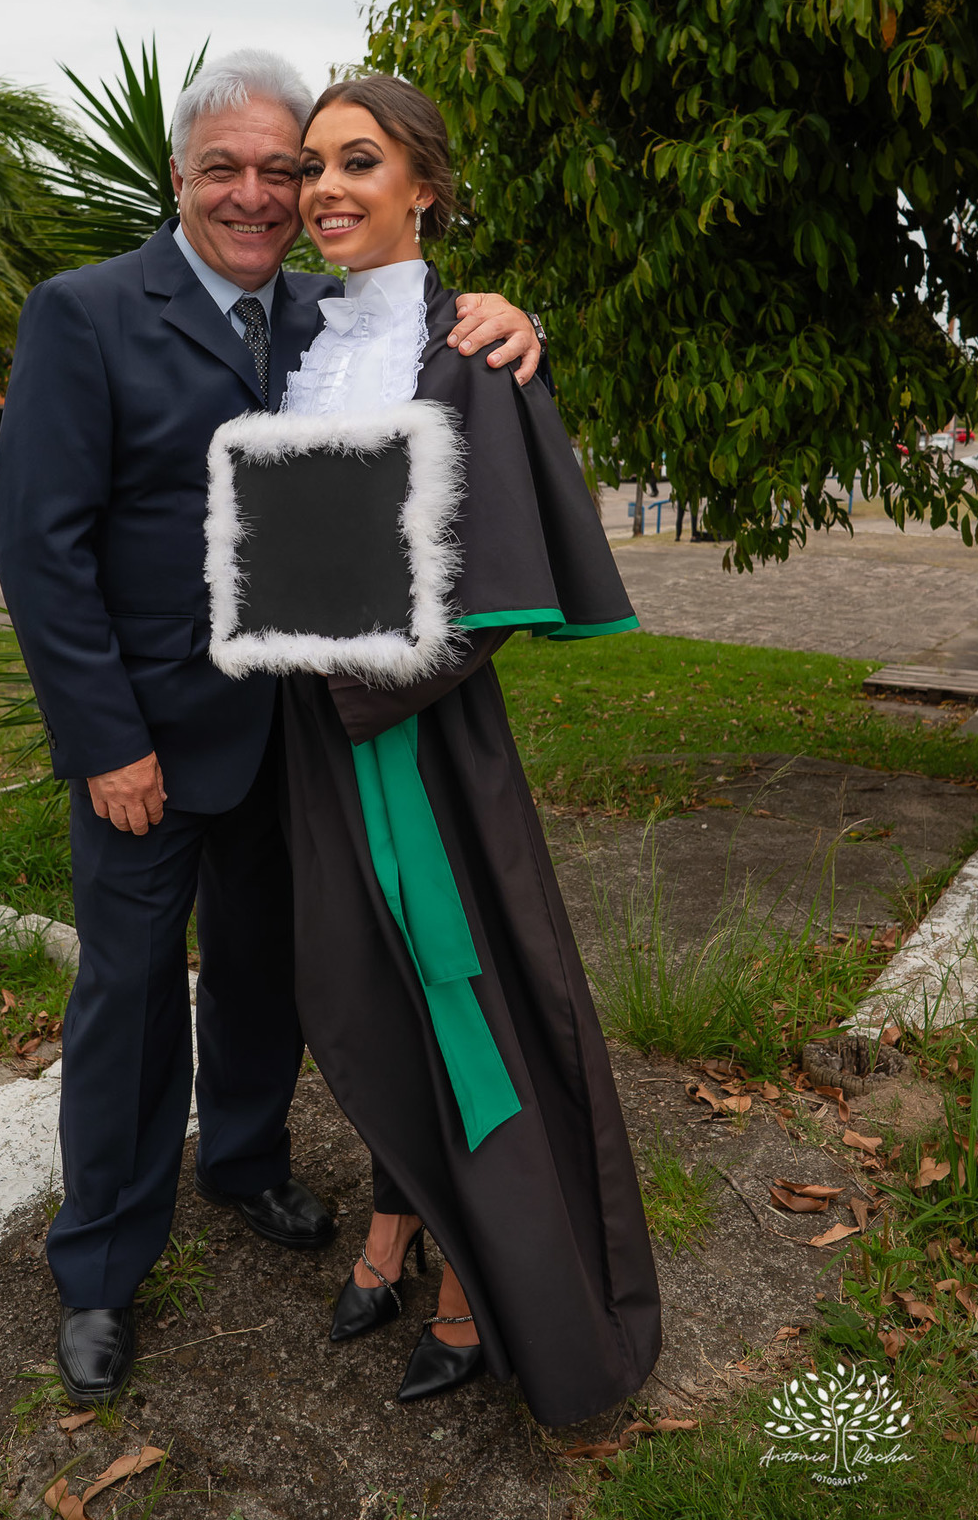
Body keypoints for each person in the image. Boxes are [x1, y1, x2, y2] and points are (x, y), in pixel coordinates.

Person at [0, 48, 542, 1407]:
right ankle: (103, 1266)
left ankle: (243, 1162)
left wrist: (509, 315)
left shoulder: (324, 317)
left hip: (292, 740)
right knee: (127, 998)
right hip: (143, 747)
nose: (258, 193)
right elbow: (38, 544)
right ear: (177, 176)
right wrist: (104, 740)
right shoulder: (86, 312)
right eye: (224, 168)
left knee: (259, 976)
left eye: (281, 168)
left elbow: (428, 345)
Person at [275, 76, 660, 1425]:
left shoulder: (469, 351)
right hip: (316, 738)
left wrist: (353, 690)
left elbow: (494, 588)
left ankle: (495, 1282)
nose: (324, 187)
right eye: (313, 164)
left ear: (424, 186)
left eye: (358, 162)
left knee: (463, 996)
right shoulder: (300, 344)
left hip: (417, 743)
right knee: (361, 989)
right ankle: (399, 1210)